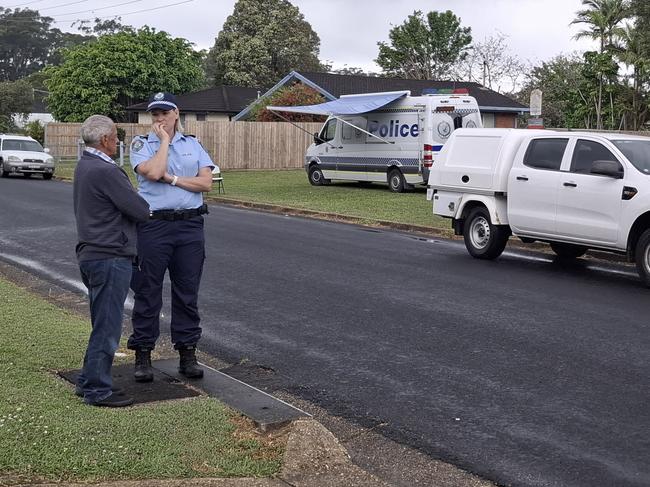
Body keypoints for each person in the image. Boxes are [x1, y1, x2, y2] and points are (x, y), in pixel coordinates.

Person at [127, 92, 216, 382]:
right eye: (155, 114)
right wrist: (164, 142)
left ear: (176, 113)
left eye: (164, 113)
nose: (159, 119)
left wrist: (174, 179)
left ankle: (187, 352)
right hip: (155, 226)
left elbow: (206, 184)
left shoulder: (194, 144)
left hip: (190, 227)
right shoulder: (141, 143)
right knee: (148, 290)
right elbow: (153, 173)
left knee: (187, 292)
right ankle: (143, 353)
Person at [73, 115, 150, 407]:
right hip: (110, 256)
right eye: (116, 136)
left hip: (91, 254)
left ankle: (87, 380)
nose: (118, 141)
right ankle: (97, 389)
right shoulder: (107, 171)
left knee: (101, 323)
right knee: (107, 327)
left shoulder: (84, 166)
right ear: (105, 139)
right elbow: (140, 210)